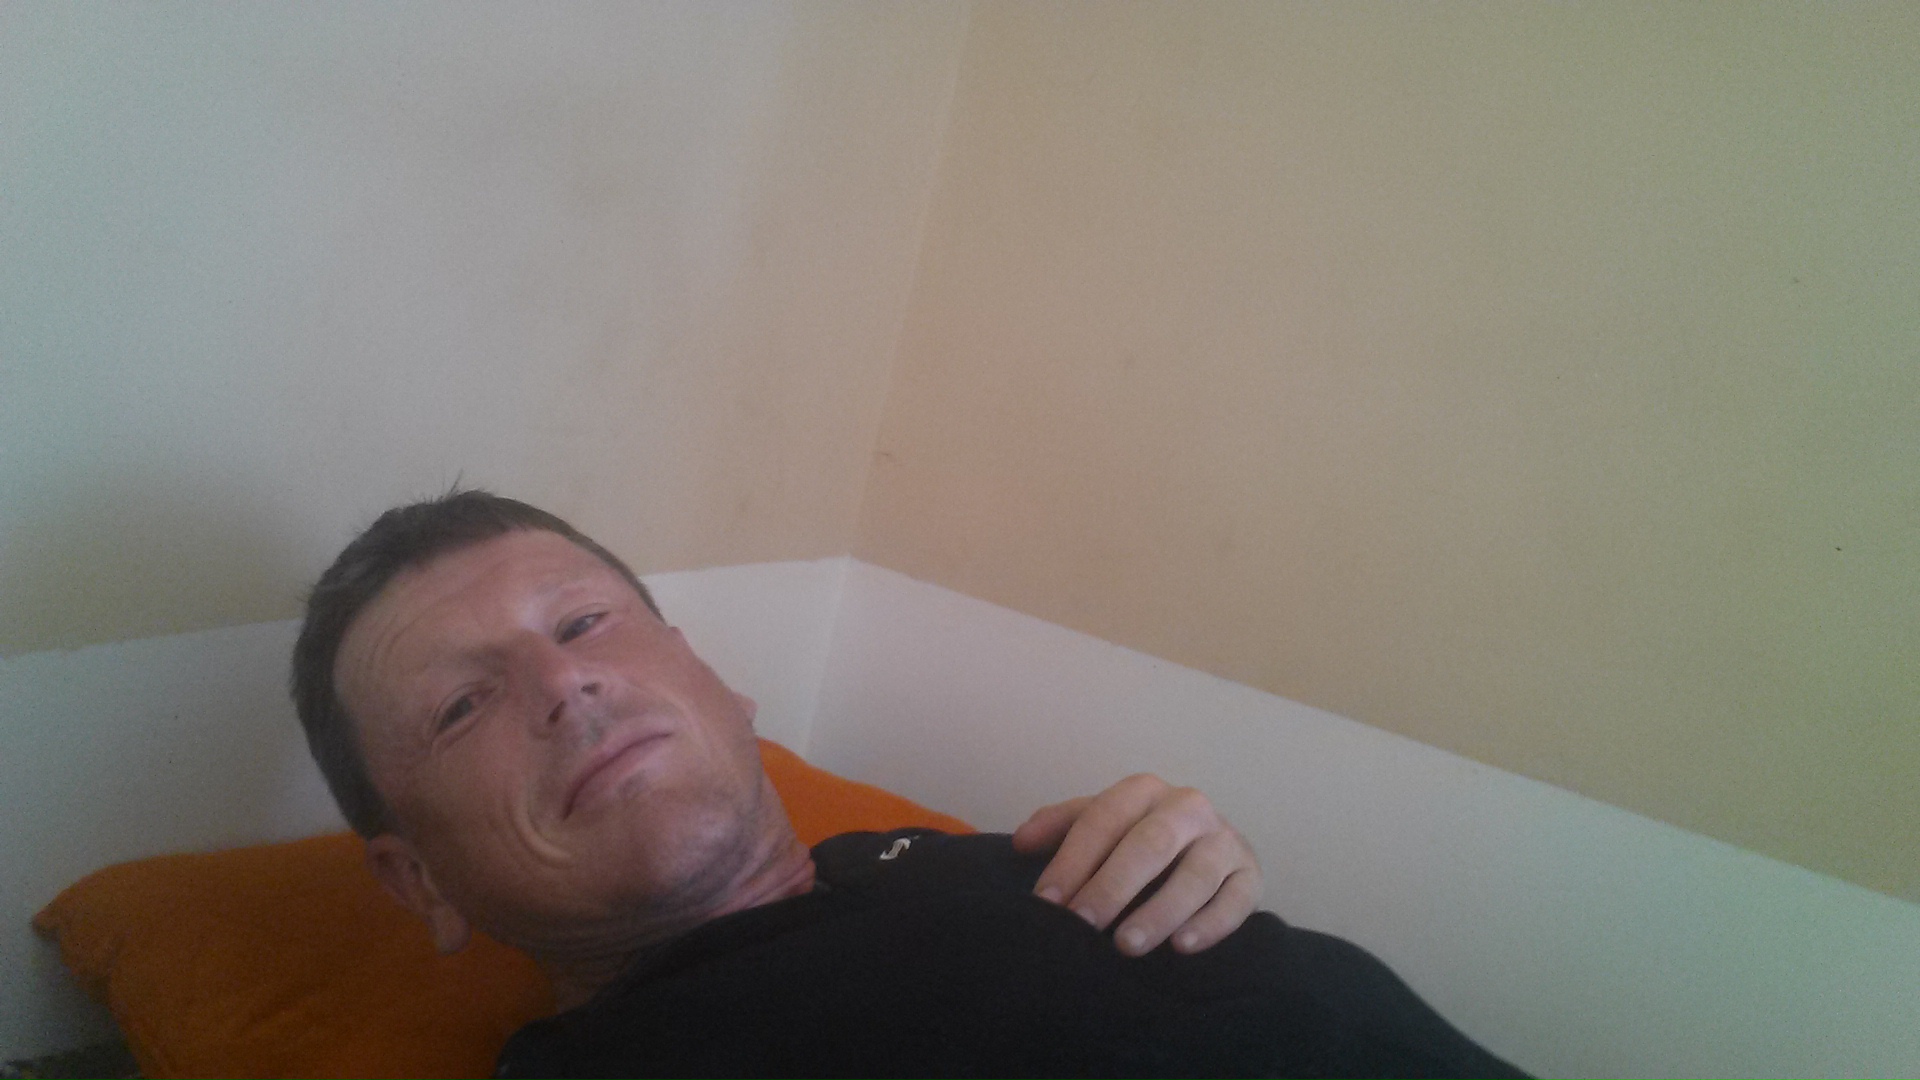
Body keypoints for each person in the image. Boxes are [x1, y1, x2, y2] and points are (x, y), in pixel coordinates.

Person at [293, 491, 1532, 1078]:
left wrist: (1191, 874)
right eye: (461, 705)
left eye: (583, 623)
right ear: (418, 884)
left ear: (720, 685)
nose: (565, 686)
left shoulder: (966, 853)